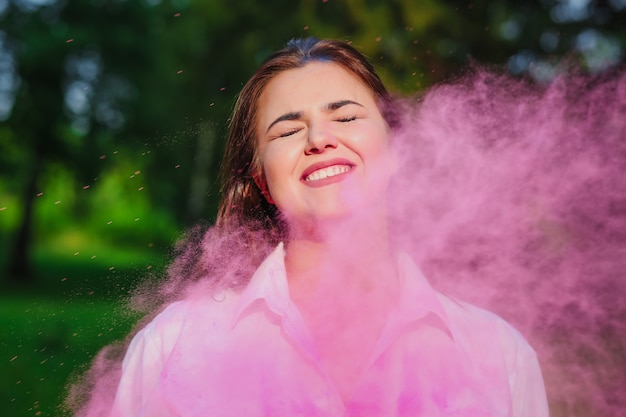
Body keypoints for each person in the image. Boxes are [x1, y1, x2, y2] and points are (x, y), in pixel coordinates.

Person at [89, 37, 549, 417]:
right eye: (287, 131)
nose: (319, 139)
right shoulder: (173, 346)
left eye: (346, 117)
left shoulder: (498, 354)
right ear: (262, 182)